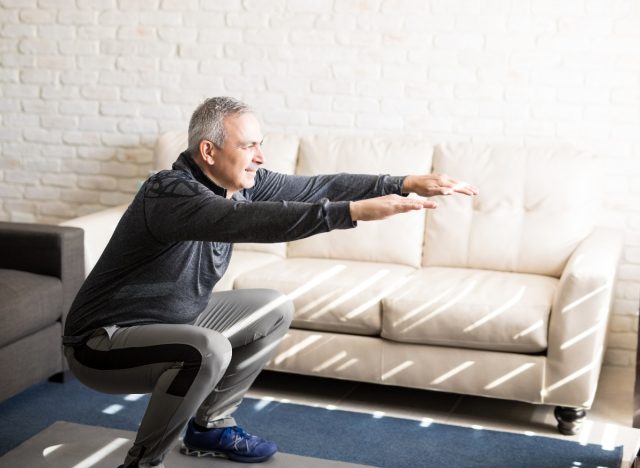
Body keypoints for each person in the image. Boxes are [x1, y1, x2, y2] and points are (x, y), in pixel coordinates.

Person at [63, 96, 478, 468]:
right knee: (206, 351)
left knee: (272, 308)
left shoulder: (240, 185)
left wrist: (400, 183)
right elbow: (249, 221)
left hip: (173, 322)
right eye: (248, 145)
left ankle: (209, 426)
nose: (260, 157)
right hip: (103, 343)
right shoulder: (170, 193)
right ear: (208, 151)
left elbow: (317, 186)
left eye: (260, 144)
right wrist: (349, 212)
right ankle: (142, 463)